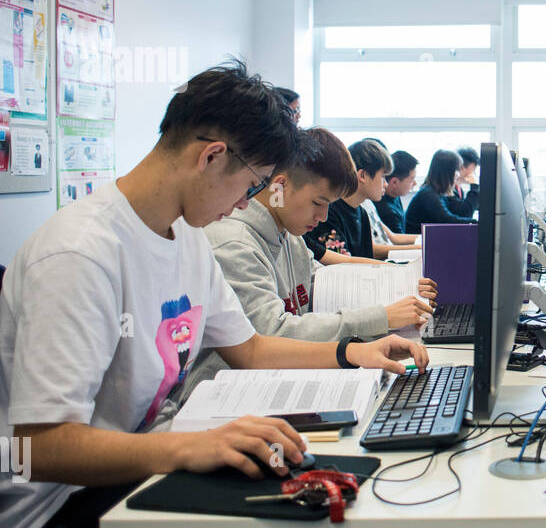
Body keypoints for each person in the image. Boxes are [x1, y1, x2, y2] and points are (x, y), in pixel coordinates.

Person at [0, 62, 428, 528]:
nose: (246, 204)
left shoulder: (184, 237)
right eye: (250, 184)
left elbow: (253, 349)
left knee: (315, 506)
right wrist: (189, 447)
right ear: (212, 157)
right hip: (54, 513)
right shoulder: (79, 256)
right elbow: (41, 448)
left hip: (139, 460)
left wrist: (349, 353)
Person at [181, 127, 437, 401]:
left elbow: (325, 284)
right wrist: (380, 317)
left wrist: (400, 291)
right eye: (318, 202)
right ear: (279, 186)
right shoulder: (234, 243)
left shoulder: (288, 236)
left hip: (274, 383)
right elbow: (271, 334)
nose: (324, 216)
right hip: (227, 397)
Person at [304, 139, 422, 262]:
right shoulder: (330, 211)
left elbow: (366, 258)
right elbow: (342, 265)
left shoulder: (362, 213)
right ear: (363, 176)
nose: (386, 184)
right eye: (382, 177)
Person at [405, 149, 476, 235]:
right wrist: (478, 222)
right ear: (448, 172)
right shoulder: (428, 194)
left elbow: (463, 213)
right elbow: (448, 221)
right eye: (457, 170)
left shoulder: (439, 192)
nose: (458, 175)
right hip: (415, 244)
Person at [376, 150, 418, 234]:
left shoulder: (394, 195)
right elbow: (398, 244)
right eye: (411, 179)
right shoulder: (388, 212)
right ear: (394, 182)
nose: (415, 183)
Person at [449, 145, 479, 217]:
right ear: (461, 168)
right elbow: (466, 213)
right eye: (473, 170)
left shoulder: (459, 188)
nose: (473, 174)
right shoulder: (449, 190)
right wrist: (474, 185)